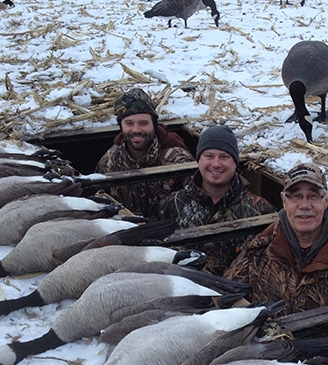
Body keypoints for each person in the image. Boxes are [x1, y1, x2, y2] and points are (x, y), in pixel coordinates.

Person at [223, 162, 328, 313]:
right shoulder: (260, 247)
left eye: (313, 196)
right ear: (284, 201)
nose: (304, 205)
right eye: (296, 196)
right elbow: (225, 297)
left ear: (326, 200)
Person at [157, 125, 276, 275]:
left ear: (235, 162)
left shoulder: (261, 212)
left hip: (235, 297)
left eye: (224, 157)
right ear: (198, 160)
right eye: (209, 156)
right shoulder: (173, 204)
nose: (216, 164)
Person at [95, 87, 195, 218]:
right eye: (129, 123)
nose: (136, 130)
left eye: (143, 123)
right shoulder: (109, 162)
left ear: (154, 124)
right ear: (121, 126)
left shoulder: (178, 160)